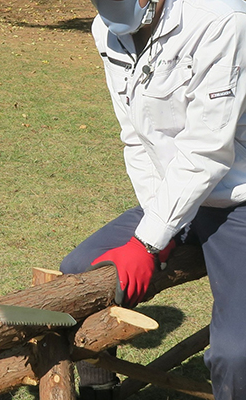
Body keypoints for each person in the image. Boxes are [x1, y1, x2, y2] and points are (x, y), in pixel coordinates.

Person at [58, 0, 246, 397]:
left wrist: (147, 242)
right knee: (80, 270)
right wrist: (162, 231)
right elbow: (135, 137)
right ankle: (99, 385)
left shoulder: (223, 21)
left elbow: (208, 151)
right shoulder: (105, 29)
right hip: (170, 196)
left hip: (236, 202)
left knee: (237, 354)